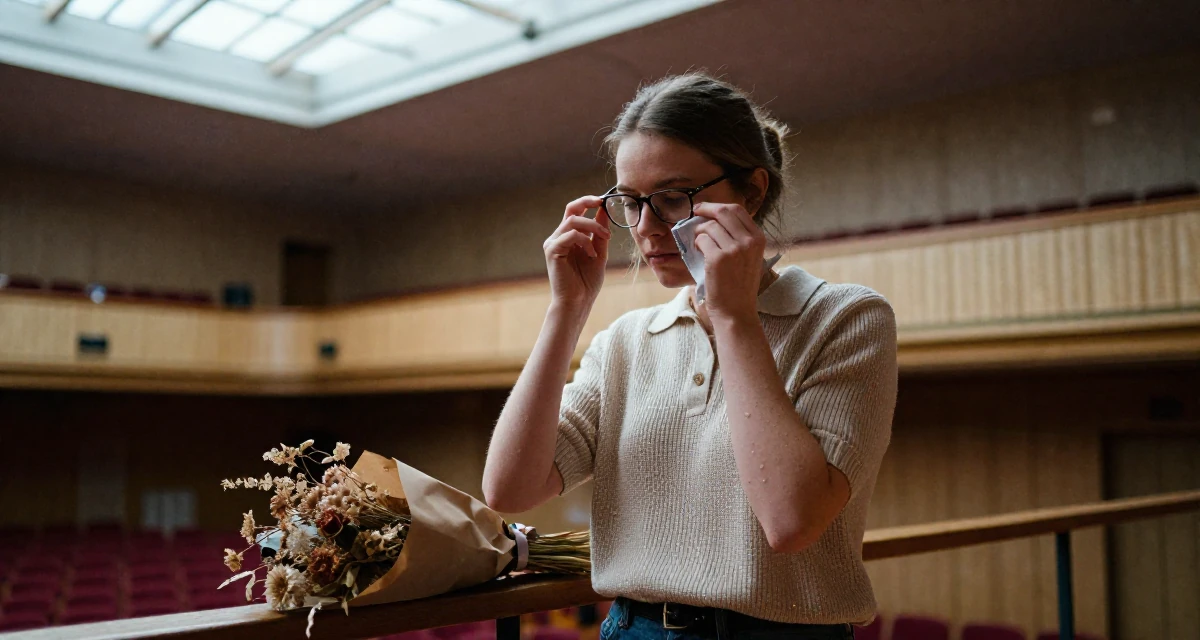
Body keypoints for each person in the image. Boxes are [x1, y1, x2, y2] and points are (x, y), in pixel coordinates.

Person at [483, 73, 897, 640]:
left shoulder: (847, 319)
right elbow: (510, 489)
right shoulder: (626, 341)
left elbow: (791, 522)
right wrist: (566, 310)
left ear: (750, 191)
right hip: (631, 628)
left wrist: (733, 318)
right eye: (630, 202)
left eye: (673, 198)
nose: (646, 229)